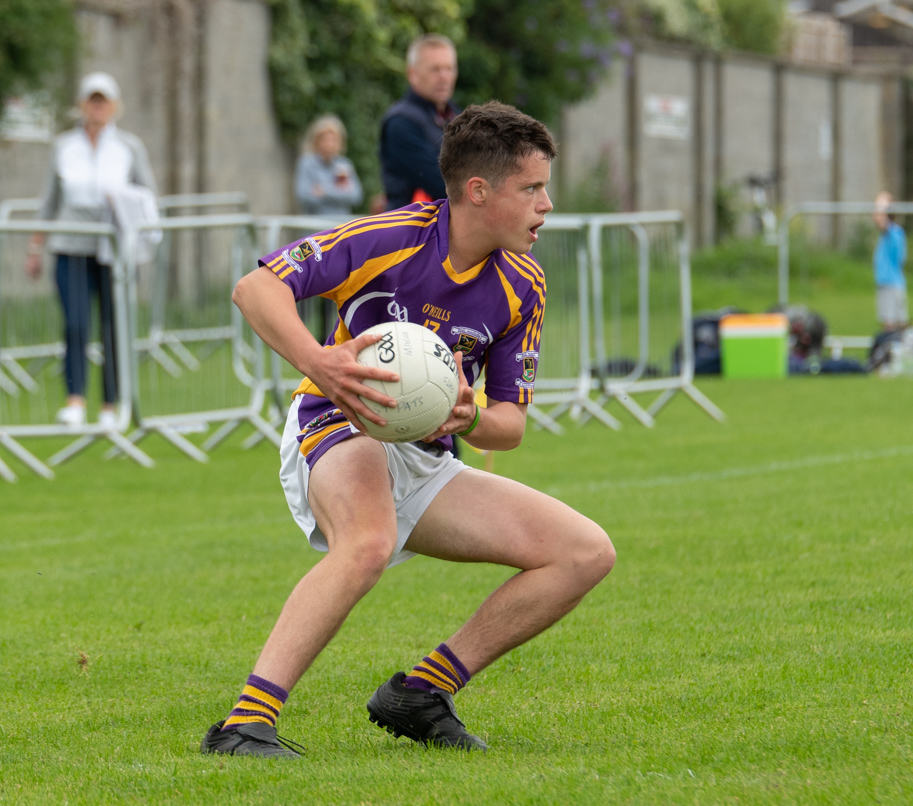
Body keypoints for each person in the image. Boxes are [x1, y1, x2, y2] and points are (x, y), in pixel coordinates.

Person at [200, 101, 614, 758]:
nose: (547, 205)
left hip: (423, 457)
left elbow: (508, 425)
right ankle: (243, 725)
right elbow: (256, 288)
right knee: (367, 543)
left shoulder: (522, 285)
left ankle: (422, 693)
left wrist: (469, 415)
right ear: (478, 191)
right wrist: (319, 363)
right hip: (339, 426)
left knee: (584, 552)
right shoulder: (387, 238)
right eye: (531, 188)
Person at [24, 71, 158, 430]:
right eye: (92, 100)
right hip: (70, 247)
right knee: (76, 324)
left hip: (113, 250)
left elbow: (148, 197)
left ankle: (111, 405)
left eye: (104, 101)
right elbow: (49, 200)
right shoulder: (64, 146)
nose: (97, 107)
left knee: (113, 326)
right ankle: (74, 401)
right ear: (82, 104)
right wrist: (35, 245)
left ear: (114, 106)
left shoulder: (129, 147)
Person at [378, 33, 460, 212]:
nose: (444, 77)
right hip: (411, 234)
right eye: (435, 69)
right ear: (413, 74)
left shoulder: (459, 118)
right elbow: (444, 184)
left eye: (449, 68)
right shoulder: (400, 123)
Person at [294, 115, 363, 217]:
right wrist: (339, 192)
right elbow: (304, 196)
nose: (329, 145)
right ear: (316, 141)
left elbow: (355, 196)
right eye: (325, 140)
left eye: (334, 140)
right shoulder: (306, 164)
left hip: (340, 227)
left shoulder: (344, 164)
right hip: (315, 228)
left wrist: (324, 191)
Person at [871, 191, 908, 331]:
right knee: (890, 323)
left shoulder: (893, 232)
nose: (876, 214)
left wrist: (884, 204)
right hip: (886, 283)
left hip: (892, 284)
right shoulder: (886, 234)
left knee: (892, 325)